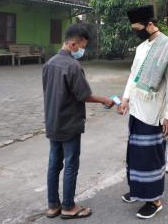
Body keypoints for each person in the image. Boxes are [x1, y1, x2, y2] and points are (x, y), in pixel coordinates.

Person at [42, 23, 114, 220]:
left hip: (53, 120)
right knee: (70, 164)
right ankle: (68, 206)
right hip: (69, 122)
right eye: (82, 46)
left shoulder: (49, 64)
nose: (83, 50)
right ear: (74, 43)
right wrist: (105, 100)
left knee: (54, 164)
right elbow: (83, 95)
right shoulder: (72, 66)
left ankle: (52, 205)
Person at [117, 5, 168, 219]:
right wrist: (126, 98)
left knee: (150, 156)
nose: (136, 31)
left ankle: (154, 199)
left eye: (137, 28)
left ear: (150, 25)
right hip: (136, 109)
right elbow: (133, 76)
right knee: (135, 154)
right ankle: (137, 190)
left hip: (154, 113)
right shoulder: (141, 47)